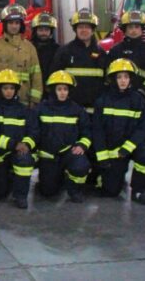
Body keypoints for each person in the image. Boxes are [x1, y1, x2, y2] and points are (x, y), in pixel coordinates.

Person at [92, 58, 145, 205]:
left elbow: (143, 127)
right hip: (112, 147)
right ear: (113, 79)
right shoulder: (102, 101)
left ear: (131, 79)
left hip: (133, 145)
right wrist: (102, 156)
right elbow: (98, 129)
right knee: (111, 192)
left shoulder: (139, 100)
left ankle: (139, 190)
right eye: (119, 77)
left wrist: (127, 147)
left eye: (126, 77)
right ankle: (111, 180)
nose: (123, 80)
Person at [32, 70, 91, 203]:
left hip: (69, 153)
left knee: (81, 165)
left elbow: (86, 131)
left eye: (65, 89)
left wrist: (82, 145)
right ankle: (56, 178)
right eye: (59, 89)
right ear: (53, 90)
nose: (63, 92)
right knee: (48, 192)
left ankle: (74, 189)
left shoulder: (77, 110)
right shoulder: (40, 109)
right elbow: (33, 132)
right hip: (48, 155)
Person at [0, 69, 37, 209]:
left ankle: (21, 196)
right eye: (5, 88)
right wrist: (14, 145)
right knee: (0, 193)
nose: (8, 91)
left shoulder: (24, 110)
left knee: (25, 159)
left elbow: (33, 131)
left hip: (18, 152)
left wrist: (26, 144)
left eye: (12, 88)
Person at [0, 5, 43, 106]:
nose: (14, 26)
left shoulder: (29, 47)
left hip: (23, 102)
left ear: (21, 25)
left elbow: (36, 76)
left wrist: (34, 100)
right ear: (5, 24)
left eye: (17, 23)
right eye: (11, 23)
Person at [50, 8, 108, 114]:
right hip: (69, 109)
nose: (84, 30)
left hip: (94, 110)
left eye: (87, 27)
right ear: (75, 29)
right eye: (80, 27)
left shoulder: (101, 54)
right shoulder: (64, 52)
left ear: (93, 30)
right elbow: (54, 79)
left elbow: (107, 81)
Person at [107, 10, 145, 98]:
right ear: (125, 30)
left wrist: (143, 91)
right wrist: (117, 90)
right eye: (130, 27)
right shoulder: (115, 50)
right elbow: (109, 74)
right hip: (119, 96)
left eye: (137, 27)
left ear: (142, 29)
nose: (134, 30)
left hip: (143, 97)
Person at [30, 12, 60, 84]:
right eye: (40, 30)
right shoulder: (29, 48)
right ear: (35, 31)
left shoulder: (57, 50)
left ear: (51, 32)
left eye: (46, 30)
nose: (43, 33)